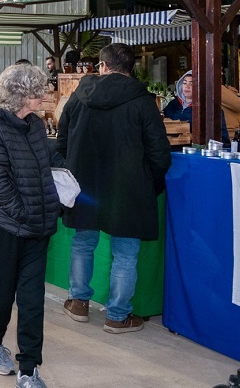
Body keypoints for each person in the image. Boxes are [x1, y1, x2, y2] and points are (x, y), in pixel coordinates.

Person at [55, 44, 171, 335]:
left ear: (102, 65)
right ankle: (117, 316)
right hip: (129, 187)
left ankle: (79, 302)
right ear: (130, 68)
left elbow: (62, 141)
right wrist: (149, 182)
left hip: (85, 186)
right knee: (126, 254)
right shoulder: (143, 101)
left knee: (83, 243)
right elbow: (159, 152)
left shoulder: (78, 96)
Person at [0, 63, 61, 388]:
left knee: (31, 299)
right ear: (22, 94)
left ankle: (28, 367)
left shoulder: (37, 126)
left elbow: (43, 172)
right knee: (0, 295)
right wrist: (27, 213)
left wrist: (51, 206)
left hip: (37, 230)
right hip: (4, 229)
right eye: (39, 90)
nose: (45, 95)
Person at [163, 71, 232, 143]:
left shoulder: (210, 109)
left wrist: (197, 138)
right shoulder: (173, 104)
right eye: (184, 83)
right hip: (171, 148)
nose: (187, 86)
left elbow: (223, 140)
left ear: (201, 87)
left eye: (192, 83)